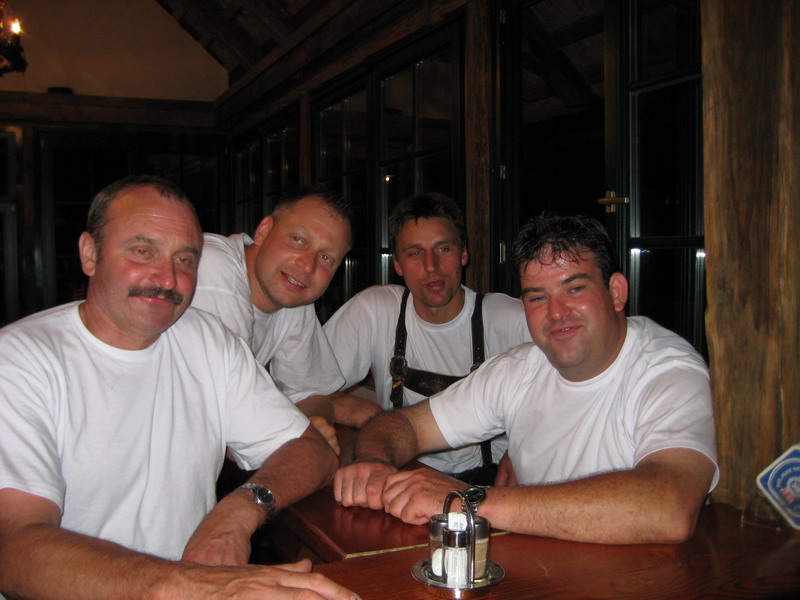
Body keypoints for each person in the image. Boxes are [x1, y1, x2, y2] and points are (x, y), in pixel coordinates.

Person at [0, 175, 359, 600]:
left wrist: (238, 512)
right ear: (90, 254)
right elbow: (13, 549)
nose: (167, 278)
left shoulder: (206, 340)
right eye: (143, 250)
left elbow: (311, 450)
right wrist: (189, 585)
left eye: (185, 259)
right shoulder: (18, 360)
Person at [334, 213, 718, 545]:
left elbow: (669, 506)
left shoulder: (667, 370)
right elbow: (405, 425)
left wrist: (470, 501)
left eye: (575, 288)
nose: (557, 312)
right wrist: (373, 461)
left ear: (616, 292)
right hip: (537, 569)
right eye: (537, 297)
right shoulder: (519, 368)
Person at [323, 193, 531, 483]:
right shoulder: (376, 310)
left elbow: (571, 391)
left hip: (487, 483)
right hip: (402, 474)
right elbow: (302, 390)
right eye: (415, 253)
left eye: (443, 248)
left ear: (463, 254)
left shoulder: (508, 318)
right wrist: (362, 412)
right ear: (398, 265)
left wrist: (523, 449)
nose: (431, 265)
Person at [192, 186, 353, 453]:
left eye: (326, 257)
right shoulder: (212, 265)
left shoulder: (293, 295)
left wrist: (316, 424)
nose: (308, 265)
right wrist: (303, 437)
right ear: (264, 231)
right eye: (298, 240)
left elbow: (312, 394)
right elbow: (228, 413)